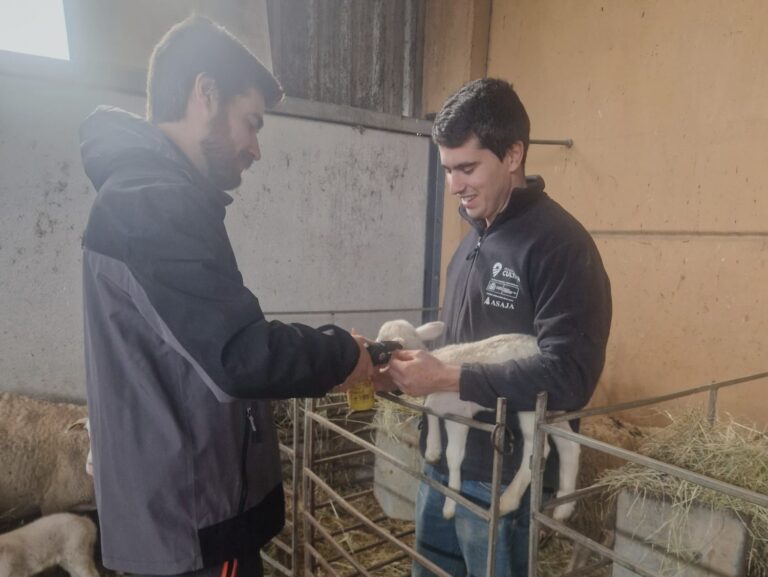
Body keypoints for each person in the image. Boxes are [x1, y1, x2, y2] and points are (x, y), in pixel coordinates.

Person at [79, 15, 373, 577]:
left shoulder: (148, 196)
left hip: (183, 513)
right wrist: (344, 355)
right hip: (191, 526)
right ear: (204, 93)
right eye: (251, 123)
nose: (255, 148)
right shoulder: (151, 204)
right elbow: (239, 354)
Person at [374, 78, 612, 577]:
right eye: (446, 170)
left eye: (467, 168)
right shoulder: (471, 240)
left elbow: (570, 374)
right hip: (444, 463)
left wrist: (448, 379)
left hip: (504, 476)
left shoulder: (559, 246)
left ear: (512, 155)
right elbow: (460, 344)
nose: (454, 185)